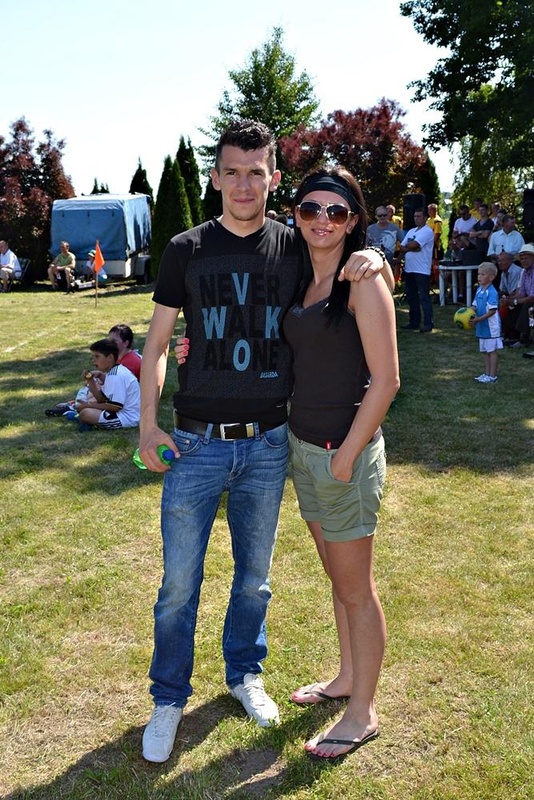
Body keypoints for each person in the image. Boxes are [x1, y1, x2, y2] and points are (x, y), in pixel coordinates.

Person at [137, 119, 389, 764]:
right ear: (215, 177)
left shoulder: (293, 243)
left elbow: (346, 250)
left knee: (254, 580)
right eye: (232, 172)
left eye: (256, 172)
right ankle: (168, 698)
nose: (244, 185)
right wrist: (148, 424)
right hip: (195, 442)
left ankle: (245, 675)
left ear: (273, 178)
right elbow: (158, 344)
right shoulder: (185, 249)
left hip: (271, 441)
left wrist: (379, 258)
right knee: (178, 584)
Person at [285, 167, 399, 761]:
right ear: (296, 215)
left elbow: (387, 379)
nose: (322, 221)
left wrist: (348, 456)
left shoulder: (362, 280)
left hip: (341, 455)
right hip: (305, 450)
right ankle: (347, 678)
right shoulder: (301, 273)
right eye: (311, 209)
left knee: (356, 590)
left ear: (354, 220)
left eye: (336, 211)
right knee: (339, 579)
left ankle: (363, 712)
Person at [76, 338, 140, 428]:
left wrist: (88, 405)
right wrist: (90, 381)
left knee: (85, 413)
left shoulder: (116, 375)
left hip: (128, 418)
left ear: (110, 357)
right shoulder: (112, 373)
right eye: (93, 357)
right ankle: (87, 420)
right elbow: (101, 400)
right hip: (121, 413)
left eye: (97, 356)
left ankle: (87, 422)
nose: (93, 360)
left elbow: (115, 407)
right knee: (86, 409)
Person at [399, 208, 435, 332]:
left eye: (419, 216)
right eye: (415, 216)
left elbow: (415, 245)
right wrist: (412, 247)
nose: (416, 218)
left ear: (425, 218)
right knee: (411, 297)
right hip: (409, 269)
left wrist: (411, 246)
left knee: (424, 297)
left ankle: (428, 323)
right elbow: (402, 246)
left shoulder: (427, 231)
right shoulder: (411, 231)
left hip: (422, 270)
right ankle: (414, 321)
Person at [469, 262, 502, 383]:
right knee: (484, 351)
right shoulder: (479, 290)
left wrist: (478, 319)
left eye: (483, 274)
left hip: (491, 328)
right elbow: (474, 306)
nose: (479, 277)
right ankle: (486, 374)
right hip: (482, 326)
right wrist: (468, 313)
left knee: (491, 351)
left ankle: (492, 376)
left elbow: (492, 311)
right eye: (478, 274)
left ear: (491, 277)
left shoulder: (492, 292)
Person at [503, 243, 534, 348]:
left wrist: (515, 301)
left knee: (525, 305)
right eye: (522, 259)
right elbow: (521, 293)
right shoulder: (524, 272)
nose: (524, 261)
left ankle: (524, 338)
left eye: (526, 258)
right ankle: (512, 335)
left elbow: (532, 297)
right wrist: (509, 300)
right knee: (511, 305)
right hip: (529, 299)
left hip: (532, 301)